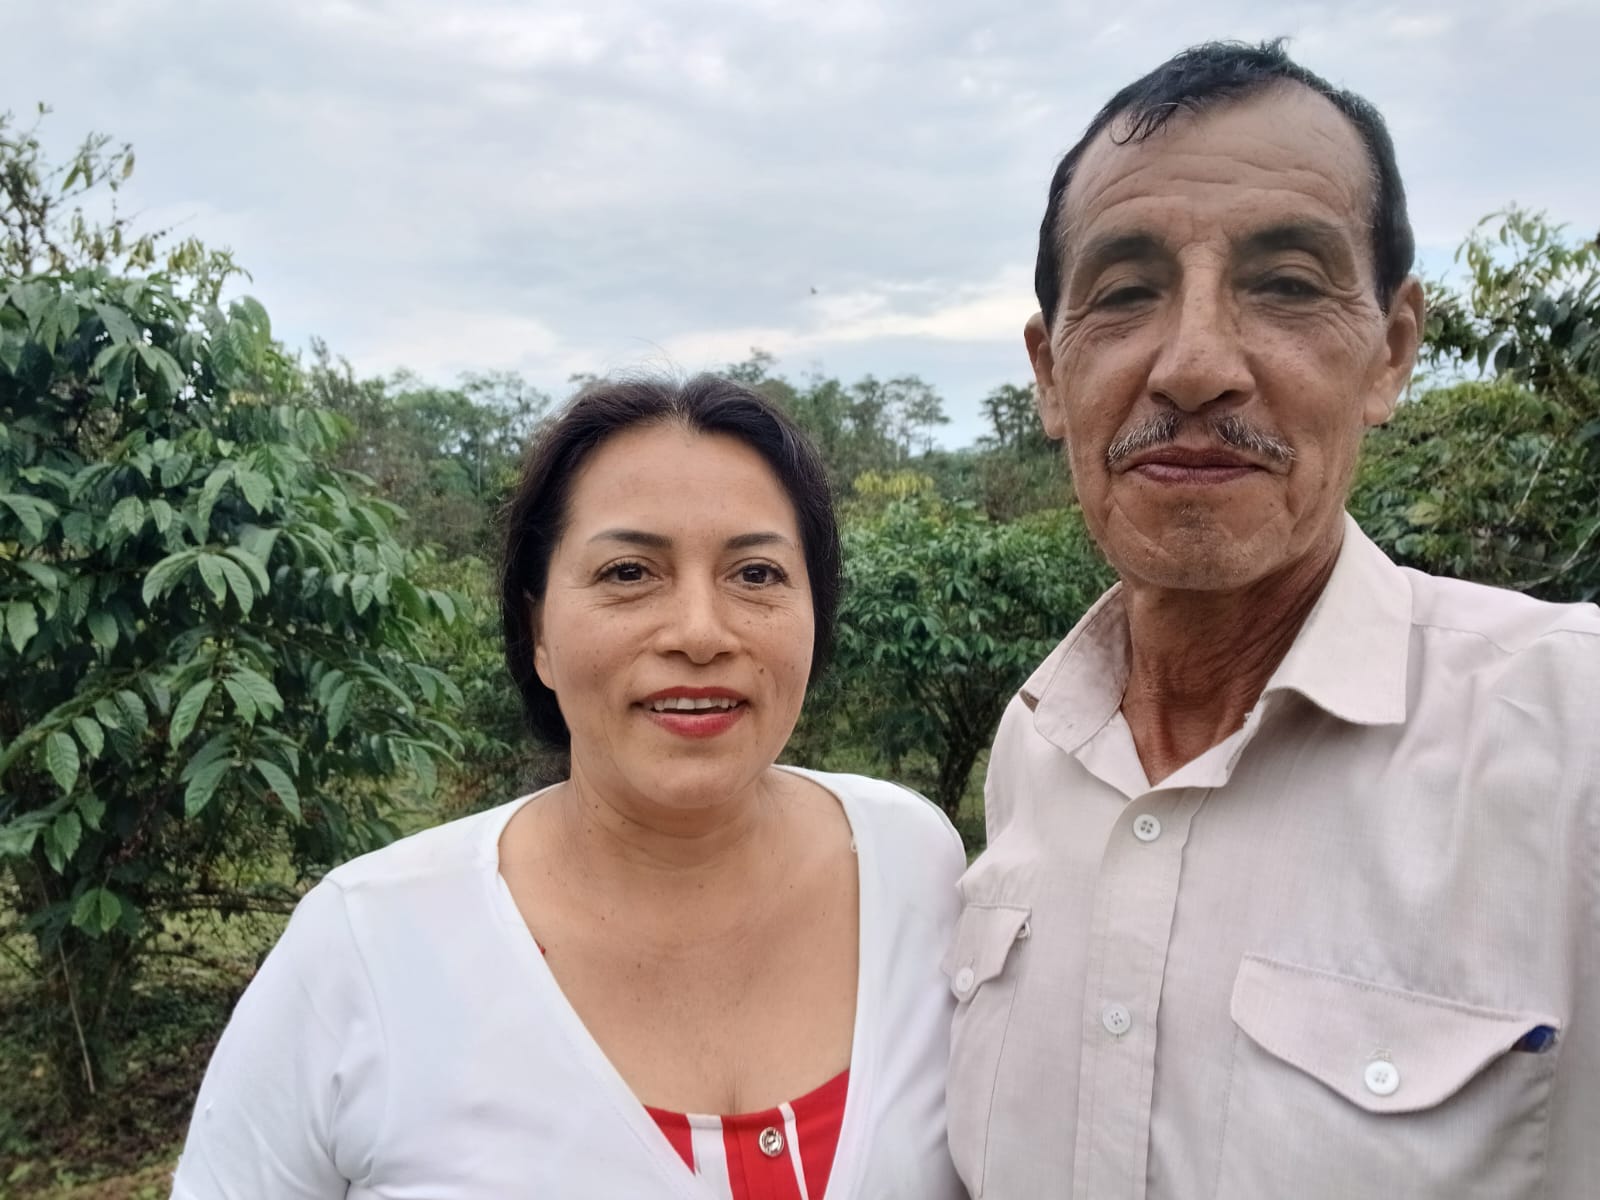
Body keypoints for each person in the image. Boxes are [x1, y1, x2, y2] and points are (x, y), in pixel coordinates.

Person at [946, 39, 1599, 1200]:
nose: (1196, 366)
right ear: (1049, 373)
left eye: (1287, 285)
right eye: (1126, 292)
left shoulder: (1570, 741)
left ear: (1389, 354)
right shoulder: (1031, 751)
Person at [173, 375, 967, 1198]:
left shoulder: (913, 862)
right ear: (538, 632)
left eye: (757, 573)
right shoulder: (366, 942)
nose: (700, 632)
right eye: (629, 571)